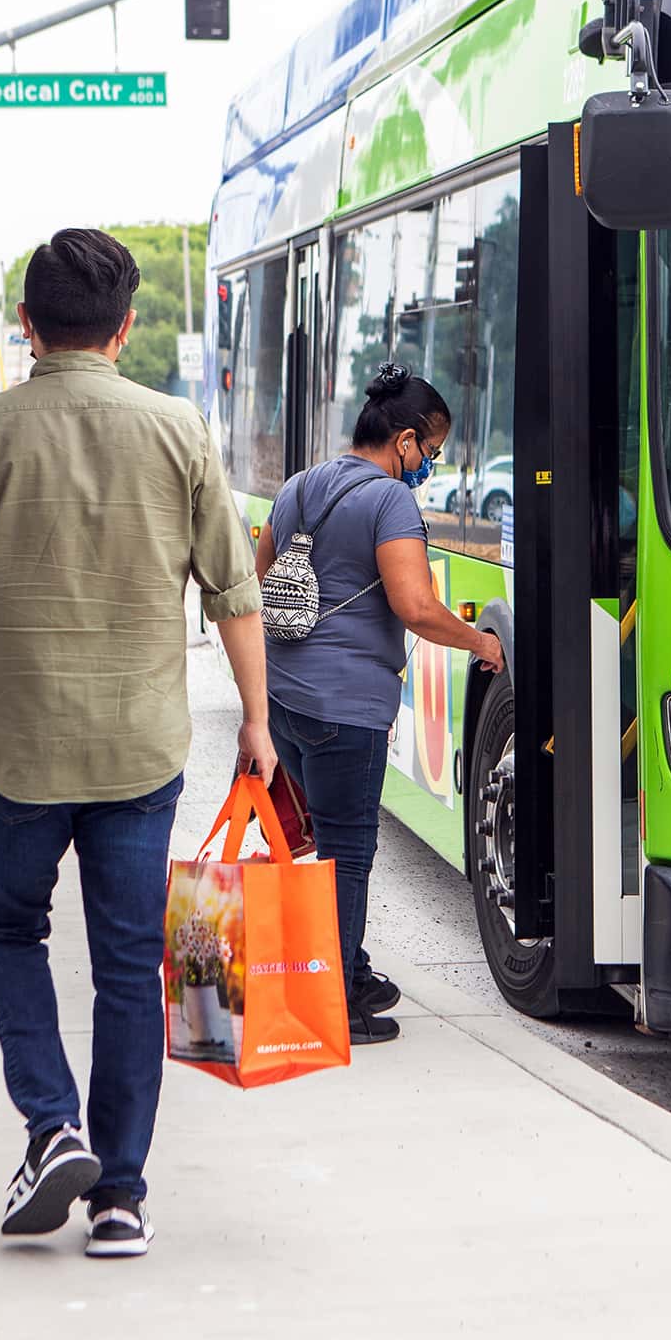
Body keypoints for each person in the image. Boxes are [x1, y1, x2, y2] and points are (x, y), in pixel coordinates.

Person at [0, 227, 277, 1259]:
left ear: (27, 324)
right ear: (126, 325)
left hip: (13, 743)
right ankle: (122, 1196)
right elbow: (236, 591)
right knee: (129, 960)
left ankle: (52, 1123)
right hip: (140, 746)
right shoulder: (179, 428)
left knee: (11, 933)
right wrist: (260, 722)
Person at [254, 363, 502, 1046]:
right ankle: (336, 999)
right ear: (404, 440)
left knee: (320, 845)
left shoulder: (301, 485)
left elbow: (258, 581)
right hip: (346, 709)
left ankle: (350, 966)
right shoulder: (391, 503)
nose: (431, 464)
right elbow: (415, 605)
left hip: (285, 698)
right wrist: (480, 641)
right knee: (347, 849)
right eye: (432, 450)